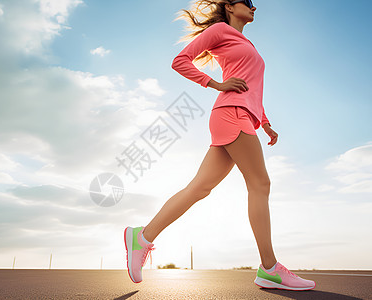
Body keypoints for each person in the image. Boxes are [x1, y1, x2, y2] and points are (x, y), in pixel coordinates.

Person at [124, 0, 316, 291]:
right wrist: (216, 84)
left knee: (199, 188)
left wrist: (264, 123)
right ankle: (269, 268)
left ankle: (142, 237)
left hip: (240, 115)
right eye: (248, 2)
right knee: (260, 184)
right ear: (229, 6)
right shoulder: (220, 30)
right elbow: (180, 61)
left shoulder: (244, 42)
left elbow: (250, 88)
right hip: (231, 113)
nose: (254, 7)